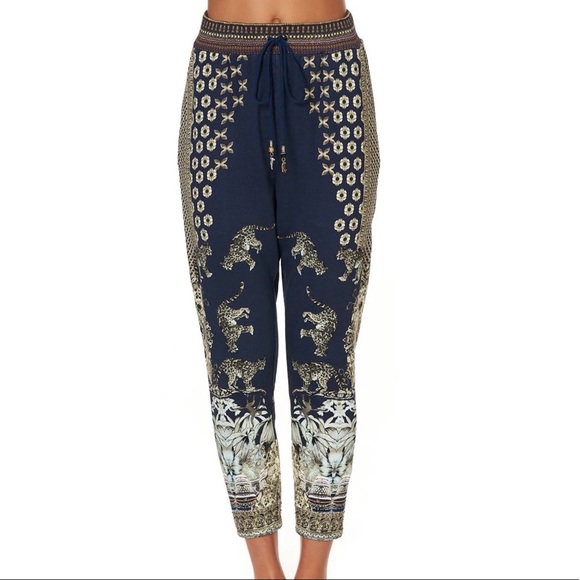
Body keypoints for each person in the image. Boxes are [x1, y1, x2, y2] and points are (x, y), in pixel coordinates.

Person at [177, 0, 380, 577]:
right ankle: (264, 569)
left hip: (332, 79)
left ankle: (314, 569)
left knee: (328, 345)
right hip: (222, 81)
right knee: (232, 345)